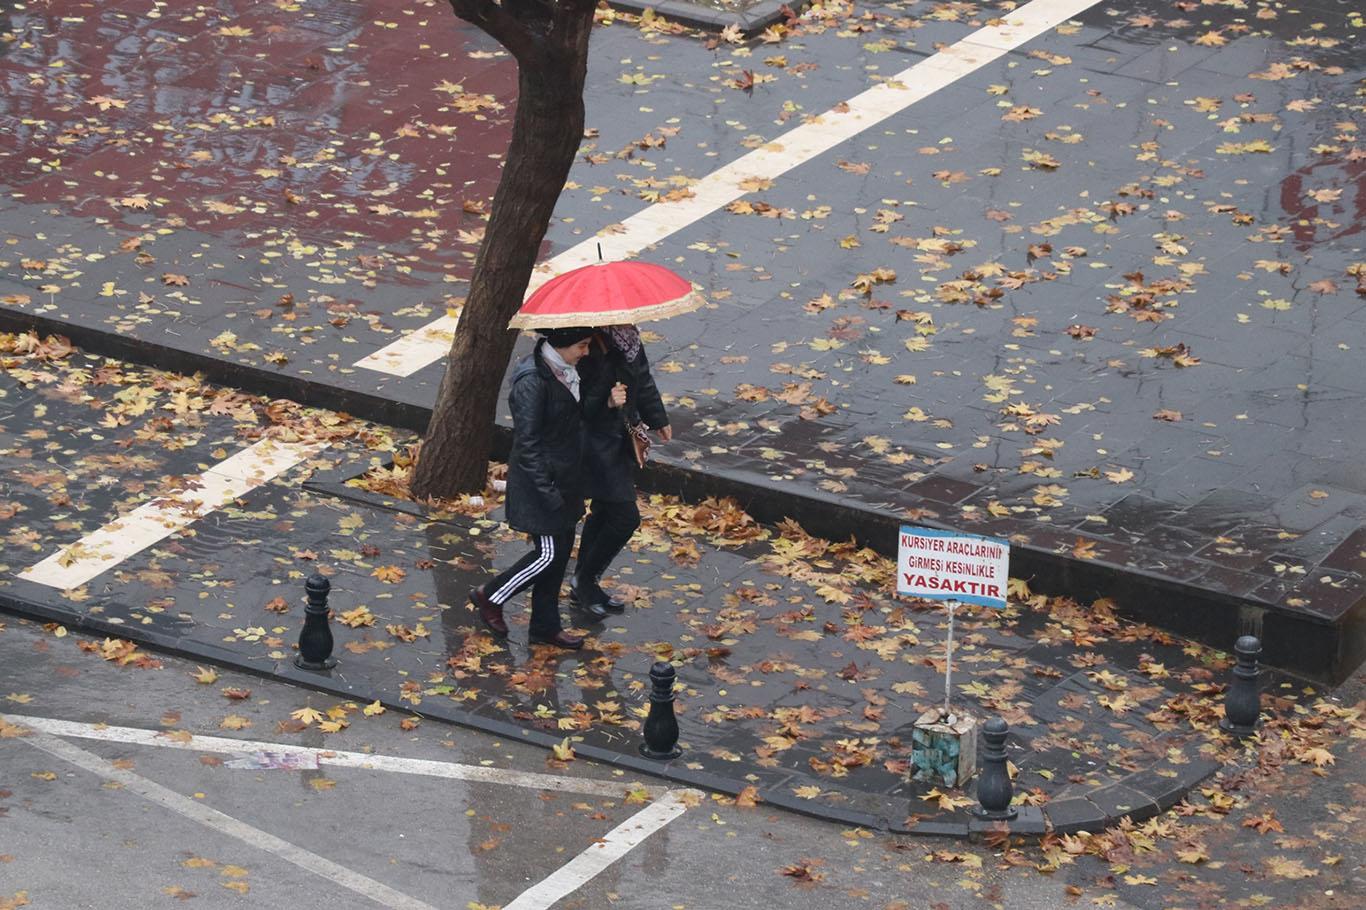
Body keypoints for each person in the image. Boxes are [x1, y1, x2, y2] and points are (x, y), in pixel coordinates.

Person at [467, 326, 605, 650]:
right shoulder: (532, 381)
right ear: (563, 344)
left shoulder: (567, 371)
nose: (586, 352)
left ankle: (545, 626)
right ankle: (490, 596)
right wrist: (547, 489)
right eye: (582, 346)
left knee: (557, 557)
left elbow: (574, 419)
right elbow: (527, 443)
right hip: (541, 484)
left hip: (565, 481)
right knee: (548, 554)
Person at [571, 324, 670, 619]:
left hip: (618, 439)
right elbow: (576, 404)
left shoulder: (628, 338)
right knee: (625, 517)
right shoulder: (587, 346)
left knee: (604, 510)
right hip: (595, 445)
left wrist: (657, 417)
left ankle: (582, 581)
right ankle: (585, 579)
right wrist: (607, 401)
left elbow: (642, 376)